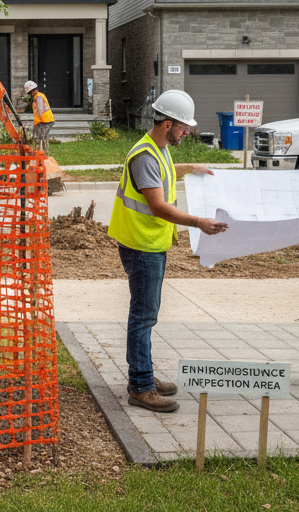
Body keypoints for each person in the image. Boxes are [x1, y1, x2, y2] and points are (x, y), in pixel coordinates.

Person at [108, 89, 228, 413]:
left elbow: (162, 177)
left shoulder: (157, 149)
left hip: (149, 244)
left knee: (146, 315)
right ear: (167, 124)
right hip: (141, 245)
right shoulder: (145, 155)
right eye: (183, 127)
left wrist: (190, 167)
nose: (188, 131)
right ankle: (141, 386)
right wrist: (198, 222)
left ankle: (141, 375)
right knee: (143, 316)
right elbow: (158, 205)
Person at [24, 80, 54, 156]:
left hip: (45, 120)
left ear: (34, 90)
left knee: (42, 138)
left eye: (30, 93)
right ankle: (39, 154)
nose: (30, 95)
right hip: (43, 120)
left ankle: (45, 155)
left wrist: (38, 124)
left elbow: (40, 111)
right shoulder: (38, 96)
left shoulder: (38, 97)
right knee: (38, 138)